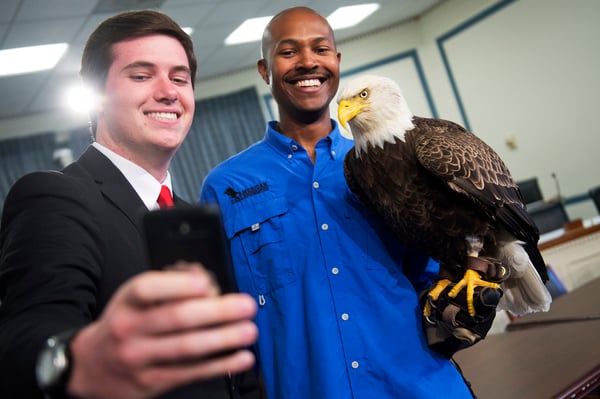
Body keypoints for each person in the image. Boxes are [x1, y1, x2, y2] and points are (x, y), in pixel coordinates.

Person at [200, 6, 499, 398]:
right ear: (264, 69)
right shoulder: (226, 186)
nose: (308, 62)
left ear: (336, 63)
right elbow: (222, 323)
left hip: (418, 383)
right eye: (288, 52)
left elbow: (429, 277)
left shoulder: (396, 163)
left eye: (320, 49)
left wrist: (461, 301)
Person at [0, 10, 260, 399]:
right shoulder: (54, 197)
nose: (168, 91)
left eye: (179, 78)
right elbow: (27, 336)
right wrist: (77, 360)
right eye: (141, 76)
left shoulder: (189, 216)